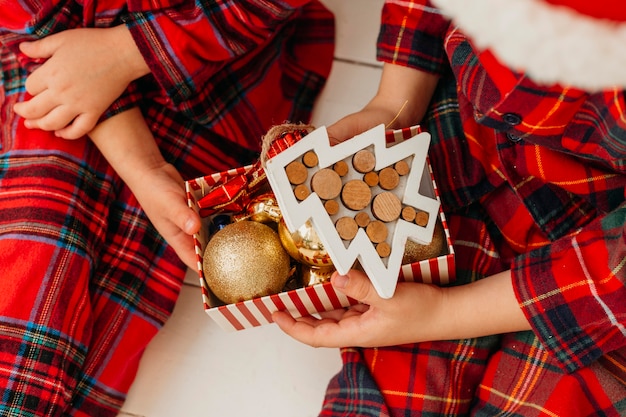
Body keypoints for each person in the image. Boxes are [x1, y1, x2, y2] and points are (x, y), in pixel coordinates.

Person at [272, 0, 626, 415]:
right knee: (379, 399)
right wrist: (392, 104)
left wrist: (444, 315)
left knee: (562, 399)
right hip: (460, 139)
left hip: (595, 269)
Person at [0, 1, 334, 416]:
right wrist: (142, 167)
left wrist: (129, 51)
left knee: (117, 311)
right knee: (34, 279)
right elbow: (36, 40)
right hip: (53, 64)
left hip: (217, 87)